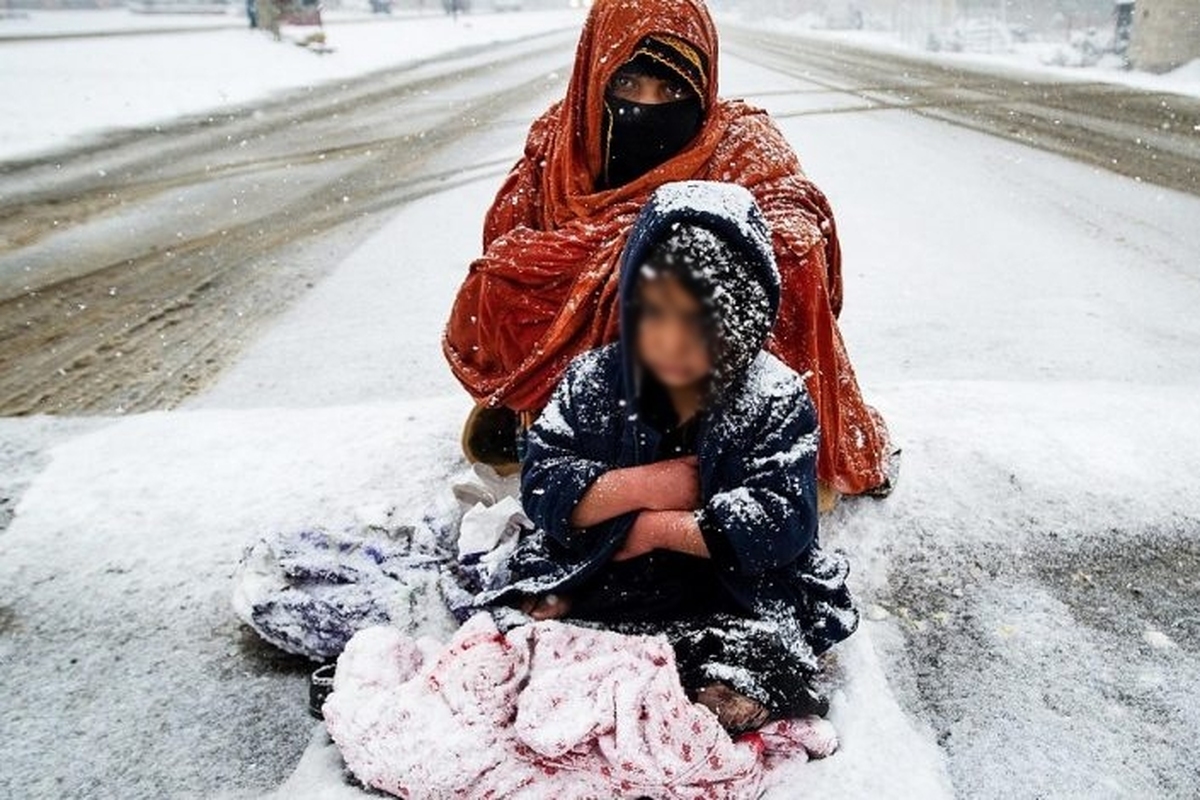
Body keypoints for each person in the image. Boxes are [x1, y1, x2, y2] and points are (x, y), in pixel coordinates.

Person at [444, 0, 897, 508]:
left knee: (768, 269)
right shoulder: (559, 148)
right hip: (588, 403)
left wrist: (687, 262)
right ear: (596, 80)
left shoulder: (737, 141)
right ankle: (561, 426)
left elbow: (790, 213)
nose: (648, 107)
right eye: (627, 86)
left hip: (713, 397)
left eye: (674, 90)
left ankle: (746, 449)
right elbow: (500, 265)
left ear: (702, 91)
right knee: (507, 285)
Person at [480, 181, 858, 733]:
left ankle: (702, 683)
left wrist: (659, 529)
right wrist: (644, 486)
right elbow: (543, 485)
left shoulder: (775, 397)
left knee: (759, 658)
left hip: (731, 589)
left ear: (747, 319)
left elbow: (781, 523)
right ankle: (589, 643)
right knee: (519, 640)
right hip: (611, 571)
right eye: (659, 315)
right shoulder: (591, 382)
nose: (676, 343)